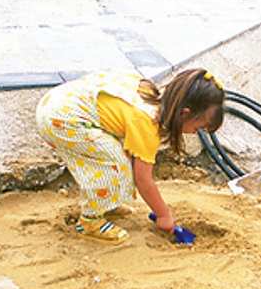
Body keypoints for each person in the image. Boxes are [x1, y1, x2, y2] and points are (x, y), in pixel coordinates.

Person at [36, 68, 225, 243]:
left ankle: (106, 203)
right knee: (111, 165)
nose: (194, 132)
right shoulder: (147, 123)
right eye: (198, 127)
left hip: (58, 100)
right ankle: (90, 221)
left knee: (120, 159)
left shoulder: (148, 91)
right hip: (63, 120)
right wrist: (163, 215)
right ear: (185, 113)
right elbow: (143, 180)